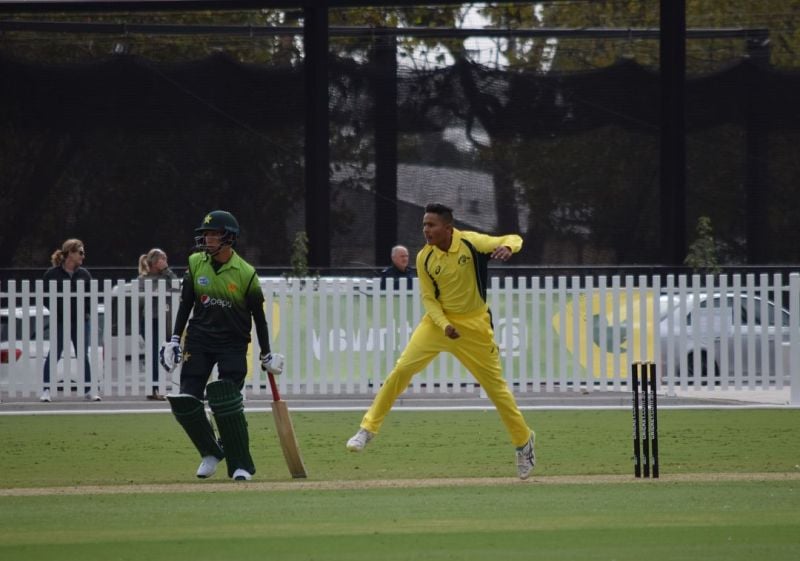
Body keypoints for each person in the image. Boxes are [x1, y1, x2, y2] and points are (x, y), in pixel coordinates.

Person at [346, 203, 536, 479]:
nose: (426, 230)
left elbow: (512, 238)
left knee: (497, 390)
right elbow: (428, 299)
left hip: (474, 327)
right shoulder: (425, 258)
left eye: (431, 225)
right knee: (402, 370)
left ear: (448, 228)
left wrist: (509, 248)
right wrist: (445, 325)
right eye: (424, 225)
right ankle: (367, 429)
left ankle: (524, 442)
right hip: (437, 325)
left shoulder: (471, 243)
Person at [159, 210, 284, 481]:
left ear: (229, 238)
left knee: (225, 401)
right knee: (184, 401)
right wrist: (173, 340)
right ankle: (210, 451)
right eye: (205, 234)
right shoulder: (195, 263)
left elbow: (259, 319)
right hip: (200, 340)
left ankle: (241, 464)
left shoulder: (246, 274)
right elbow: (185, 305)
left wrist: (266, 354)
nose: (207, 239)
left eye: (214, 234)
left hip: (233, 343)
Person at [40, 238, 101, 402]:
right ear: (70, 253)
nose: (83, 256)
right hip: (60, 321)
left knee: (83, 354)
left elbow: (90, 298)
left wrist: (84, 312)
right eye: (80, 252)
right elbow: (46, 298)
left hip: (81, 321)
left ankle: (89, 389)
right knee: (55, 353)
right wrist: (60, 311)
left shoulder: (84, 274)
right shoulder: (52, 274)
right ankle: (45, 389)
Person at [137, 248, 178, 401]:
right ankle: (154, 388)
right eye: (162, 259)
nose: (165, 262)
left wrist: (167, 270)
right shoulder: (143, 279)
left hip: (164, 320)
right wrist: (154, 291)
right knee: (154, 353)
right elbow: (140, 299)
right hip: (149, 320)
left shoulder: (166, 277)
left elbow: (176, 286)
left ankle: (155, 387)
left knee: (161, 353)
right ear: (154, 262)